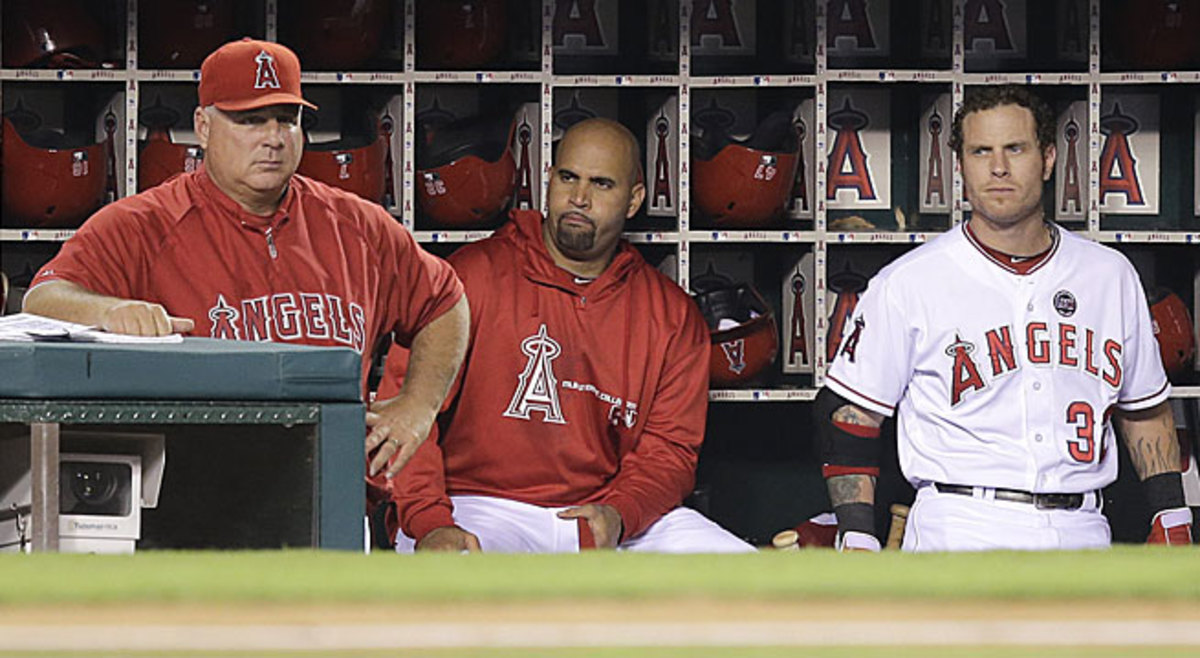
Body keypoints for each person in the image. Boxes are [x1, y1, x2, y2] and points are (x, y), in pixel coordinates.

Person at [22, 38, 469, 481]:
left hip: (332, 484)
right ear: (203, 125)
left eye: (286, 120)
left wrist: (418, 406)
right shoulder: (143, 224)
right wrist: (108, 310)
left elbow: (444, 301)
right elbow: (44, 298)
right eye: (250, 120)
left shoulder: (357, 225)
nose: (273, 139)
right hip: (197, 490)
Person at [816, 84, 1193, 552]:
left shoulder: (1109, 276)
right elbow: (849, 415)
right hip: (959, 525)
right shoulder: (909, 282)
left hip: (1083, 528)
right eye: (980, 151)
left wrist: (1172, 516)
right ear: (961, 167)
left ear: (1049, 158)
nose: (998, 167)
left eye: (1015, 148)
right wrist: (856, 532)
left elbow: (1145, 410)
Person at [377, 118, 753, 553]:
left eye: (602, 184)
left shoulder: (670, 313)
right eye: (568, 177)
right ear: (549, 179)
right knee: (453, 572)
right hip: (478, 506)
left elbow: (669, 451)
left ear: (633, 200)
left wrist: (621, 513)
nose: (578, 198)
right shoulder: (469, 278)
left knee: (746, 576)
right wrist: (429, 522)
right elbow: (404, 418)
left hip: (604, 514)